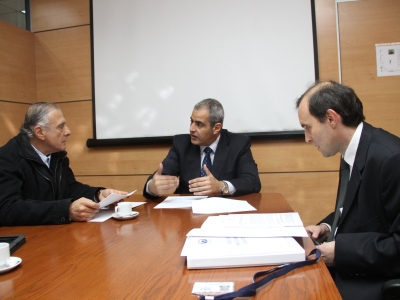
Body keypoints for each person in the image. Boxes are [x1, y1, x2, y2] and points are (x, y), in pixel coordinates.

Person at [296, 80, 400, 300]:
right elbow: (361, 208)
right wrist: (327, 227)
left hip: (371, 279)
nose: (307, 138)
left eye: (308, 127)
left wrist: (341, 252)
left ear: (332, 119)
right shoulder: (352, 151)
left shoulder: (391, 158)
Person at [0, 102, 128, 226]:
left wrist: (98, 194)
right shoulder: (7, 158)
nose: (68, 131)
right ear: (39, 132)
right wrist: (66, 210)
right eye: (61, 127)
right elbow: (7, 209)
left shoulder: (57, 155)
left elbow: (70, 188)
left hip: (54, 234)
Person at [143, 98, 261, 199]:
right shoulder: (182, 144)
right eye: (191, 121)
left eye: (199, 124)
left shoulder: (238, 144)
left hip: (224, 214)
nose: (191, 129)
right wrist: (152, 187)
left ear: (216, 128)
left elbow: (252, 182)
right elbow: (158, 178)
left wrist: (221, 186)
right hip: (187, 215)